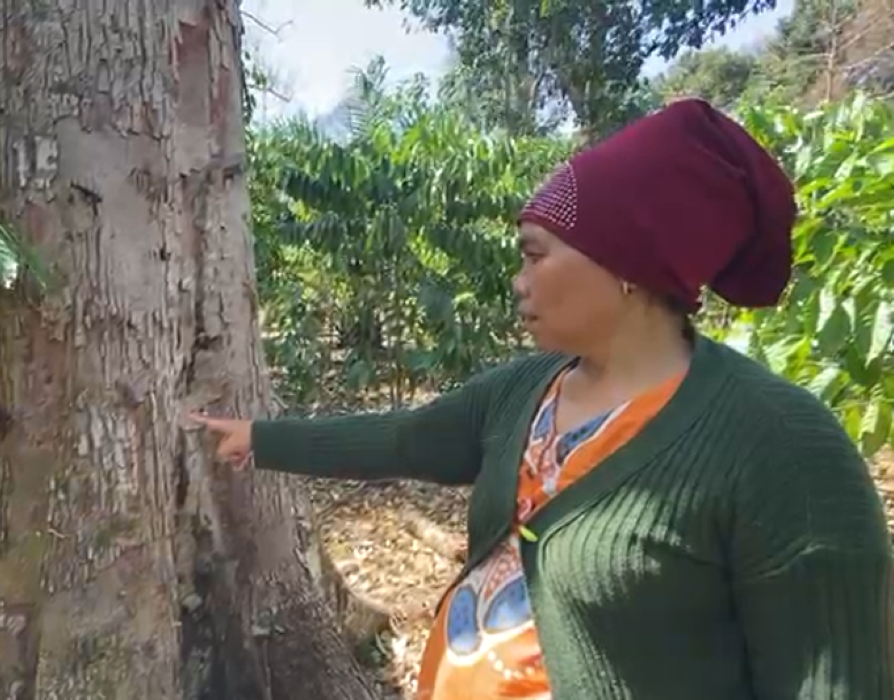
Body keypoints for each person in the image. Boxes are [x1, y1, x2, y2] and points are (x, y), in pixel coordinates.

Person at [190, 98, 894, 700]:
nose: (518, 282)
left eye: (534, 253)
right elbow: (408, 437)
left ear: (627, 265)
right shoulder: (532, 389)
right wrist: (260, 438)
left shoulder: (779, 446)